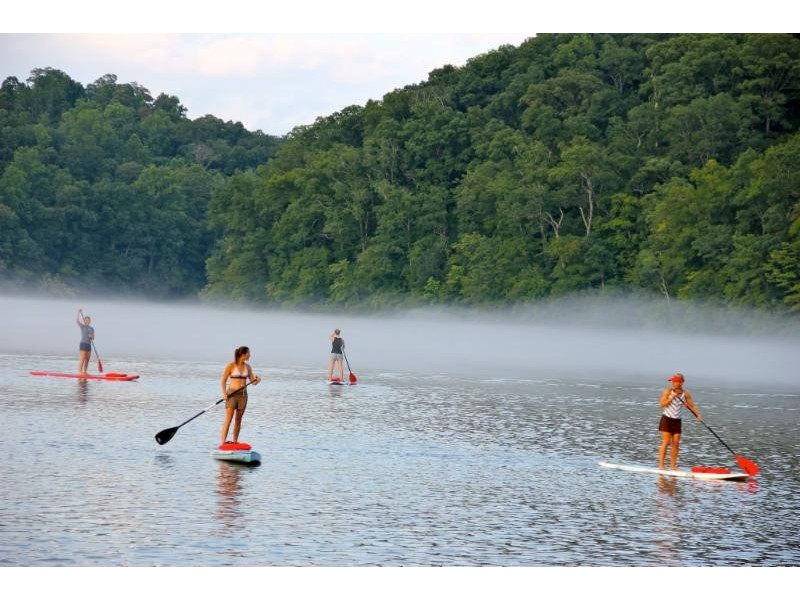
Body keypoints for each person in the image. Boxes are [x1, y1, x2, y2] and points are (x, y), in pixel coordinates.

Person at [658, 373, 703, 470]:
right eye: (672, 381)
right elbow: (662, 404)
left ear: (681, 382)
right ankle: (661, 466)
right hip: (666, 419)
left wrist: (698, 414)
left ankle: (673, 466)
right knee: (666, 442)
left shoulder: (685, 393)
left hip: (677, 421)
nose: (673, 383)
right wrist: (672, 397)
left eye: (675, 381)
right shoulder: (668, 391)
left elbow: (692, 406)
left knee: (676, 443)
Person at [220, 346, 261, 445]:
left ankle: (234, 442)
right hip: (232, 394)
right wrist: (224, 393)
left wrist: (257, 380)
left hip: (243, 395)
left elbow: (253, 382)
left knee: (238, 420)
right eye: (248, 353)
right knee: (229, 419)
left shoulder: (248, 367)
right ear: (243, 354)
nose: (250, 355)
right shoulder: (231, 366)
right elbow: (223, 380)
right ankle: (222, 443)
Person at [76, 309, 94, 374]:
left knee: (87, 359)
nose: (87, 321)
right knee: (82, 359)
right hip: (83, 344)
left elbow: (93, 338)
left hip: (89, 345)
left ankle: (85, 371)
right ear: (84, 321)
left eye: (88, 320)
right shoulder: (82, 326)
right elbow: (77, 321)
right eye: (86, 320)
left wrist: (91, 336)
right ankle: (80, 372)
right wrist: (78, 313)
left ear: (90, 321)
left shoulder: (91, 328)